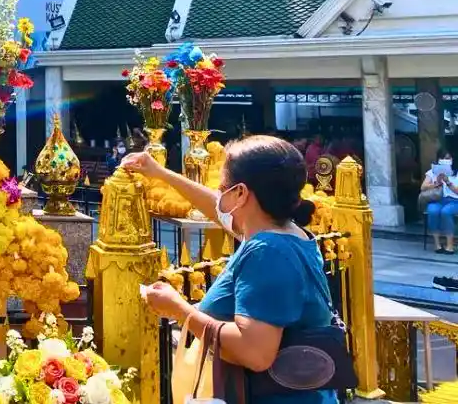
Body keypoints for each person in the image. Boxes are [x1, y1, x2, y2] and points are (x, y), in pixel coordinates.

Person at [123, 136, 337, 404]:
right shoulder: (284, 232)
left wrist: (179, 309)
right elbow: (219, 209)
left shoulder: (268, 251)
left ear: (241, 194)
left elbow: (255, 353)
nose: (220, 194)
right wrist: (160, 173)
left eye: (224, 187)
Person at [423, 150, 458, 253]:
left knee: (446, 212)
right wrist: (437, 183)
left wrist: (447, 182)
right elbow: (423, 187)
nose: (446, 161)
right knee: (432, 210)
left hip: (455, 201)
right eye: (443, 158)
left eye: (448, 158)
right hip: (439, 199)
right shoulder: (433, 171)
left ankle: (450, 245)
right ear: (438, 159)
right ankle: (437, 244)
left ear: (452, 159)